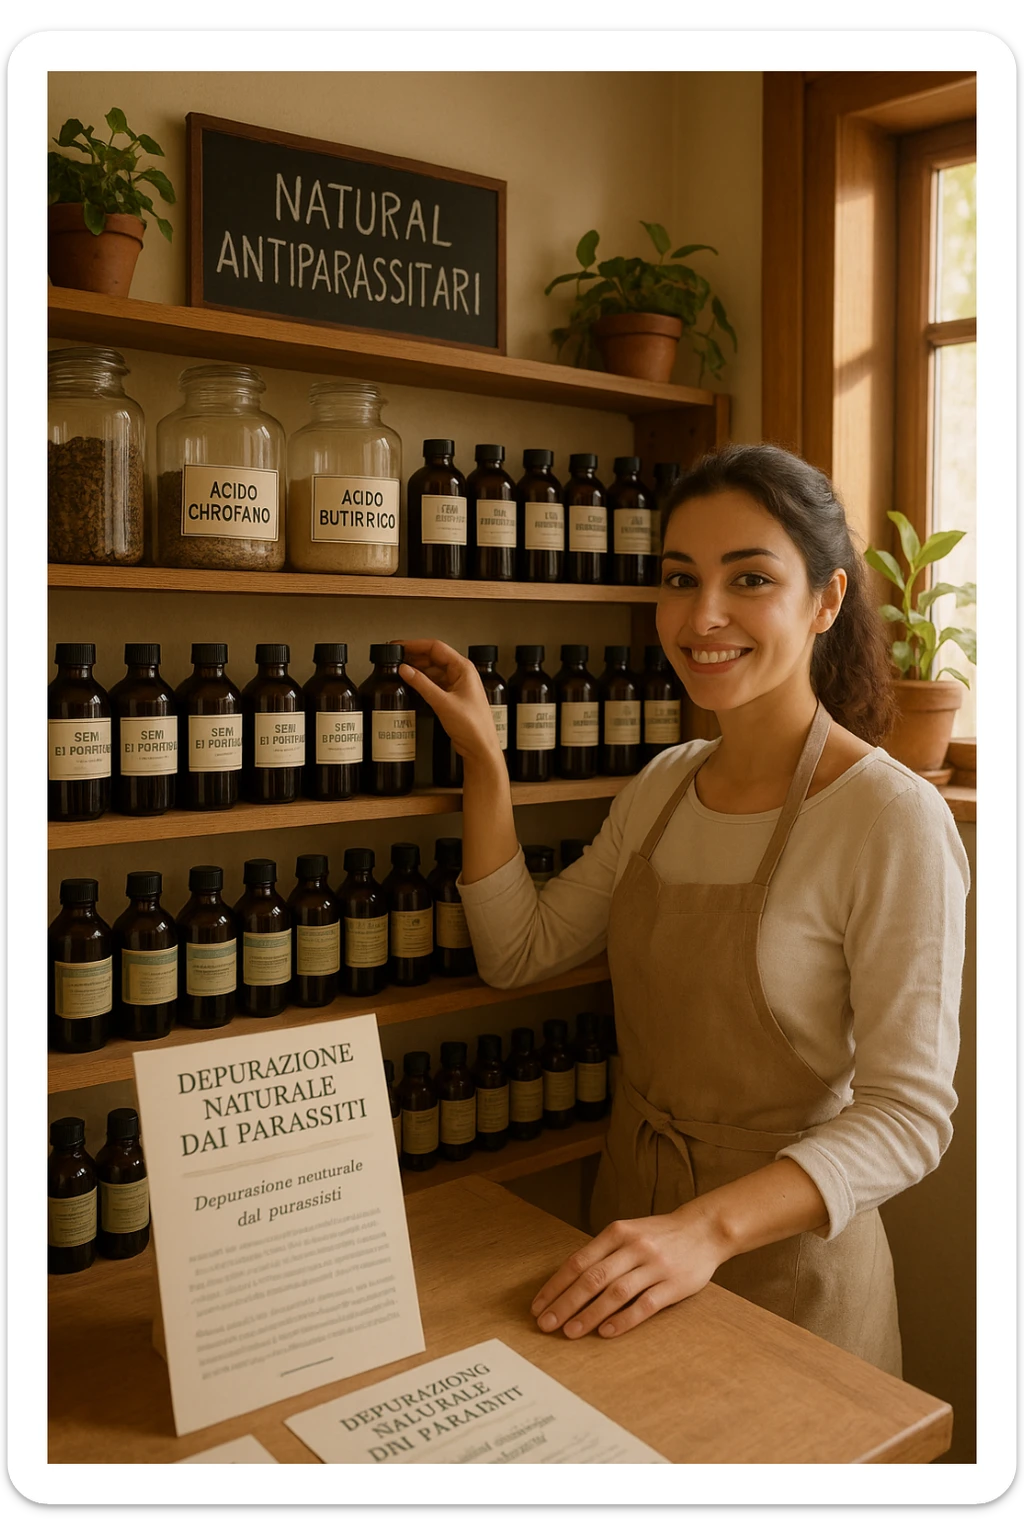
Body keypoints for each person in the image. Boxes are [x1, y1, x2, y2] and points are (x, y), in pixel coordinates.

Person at [398, 443, 969, 1377]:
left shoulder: (890, 817)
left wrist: (705, 1229)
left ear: (825, 602)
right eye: (679, 578)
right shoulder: (661, 787)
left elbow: (909, 1117)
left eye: (750, 579)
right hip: (624, 1247)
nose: (703, 617)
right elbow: (519, 952)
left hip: (790, 1274)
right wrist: (485, 763)